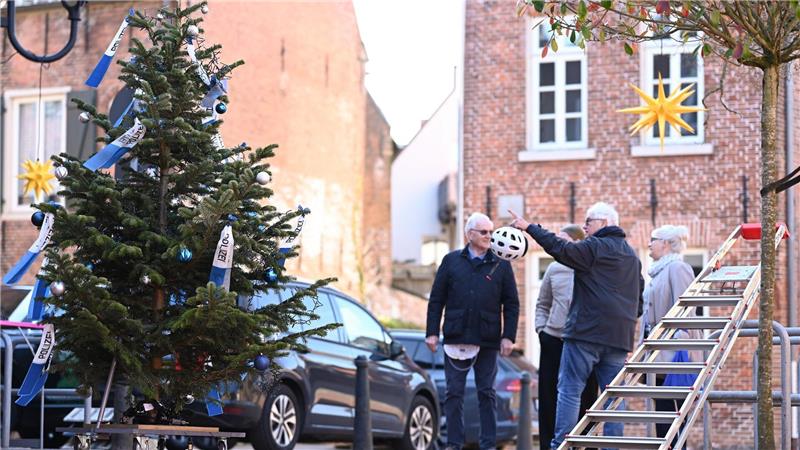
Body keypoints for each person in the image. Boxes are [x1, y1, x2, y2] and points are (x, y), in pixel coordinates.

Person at [509, 202, 643, 449]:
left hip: (585, 335)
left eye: (588, 221)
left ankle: (562, 445)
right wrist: (622, 320)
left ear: (604, 222)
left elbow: (560, 248)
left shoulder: (594, 247)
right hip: (618, 339)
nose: (584, 227)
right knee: (614, 399)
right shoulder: (632, 257)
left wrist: (529, 227)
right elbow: (639, 300)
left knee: (569, 390)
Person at [426, 212, 520, 450]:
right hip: (456, 336)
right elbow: (436, 299)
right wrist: (431, 332)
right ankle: (454, 444)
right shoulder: (451, 261)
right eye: (484, 232)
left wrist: (508, 336)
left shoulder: (501, 263)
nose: (490, 236)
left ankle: (487, 445)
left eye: (491, 232)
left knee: (487, 392)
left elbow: (511, 303)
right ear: (469, 234)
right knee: (453, 393)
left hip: (488, 339)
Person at [536, 224, 599, 450]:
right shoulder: (553, 269)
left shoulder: (590, 267)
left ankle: (586, 445)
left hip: (584, 342)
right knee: (549, 397)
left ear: (577, 243)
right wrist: (542, 330)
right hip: (553, 340)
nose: (558, 246)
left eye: (563, 240)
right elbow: (543, 303)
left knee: (586, 398)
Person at [640, 224, 695, 443]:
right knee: (662, 414)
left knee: (674, 415)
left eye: (652, 240)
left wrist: (677, 345)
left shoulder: (677, 268)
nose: (648, 244)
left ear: (664, 244)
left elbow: (686, 310)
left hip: (672, 354)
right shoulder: (659, 271)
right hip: (657, 352)